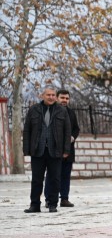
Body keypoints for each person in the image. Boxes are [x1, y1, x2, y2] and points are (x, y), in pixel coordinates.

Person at [22, 85, 71, 213]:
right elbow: (27, 130)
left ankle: (53, 204)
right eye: (48, 95)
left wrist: (66, 150)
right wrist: (26, 149)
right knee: (36, 179)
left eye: (53, 95)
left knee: (55, 178)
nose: (51, 97)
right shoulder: (34, 110)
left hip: (55, 151)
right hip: (38, 150)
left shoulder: (62, 111)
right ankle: (34, 205)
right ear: (42, 95)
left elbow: (67, 131)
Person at [44, 89, 79, 207]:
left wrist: (73, 137)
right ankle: (49, 199)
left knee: (65, 175)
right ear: (57, 98)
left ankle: (64, 198)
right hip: (53, 150)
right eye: (62, 98)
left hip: (68, 150)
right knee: (52, 175)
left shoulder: (71, 113)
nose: (64, 100)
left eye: (67, 98)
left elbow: (76, 128)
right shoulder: (50, 111)